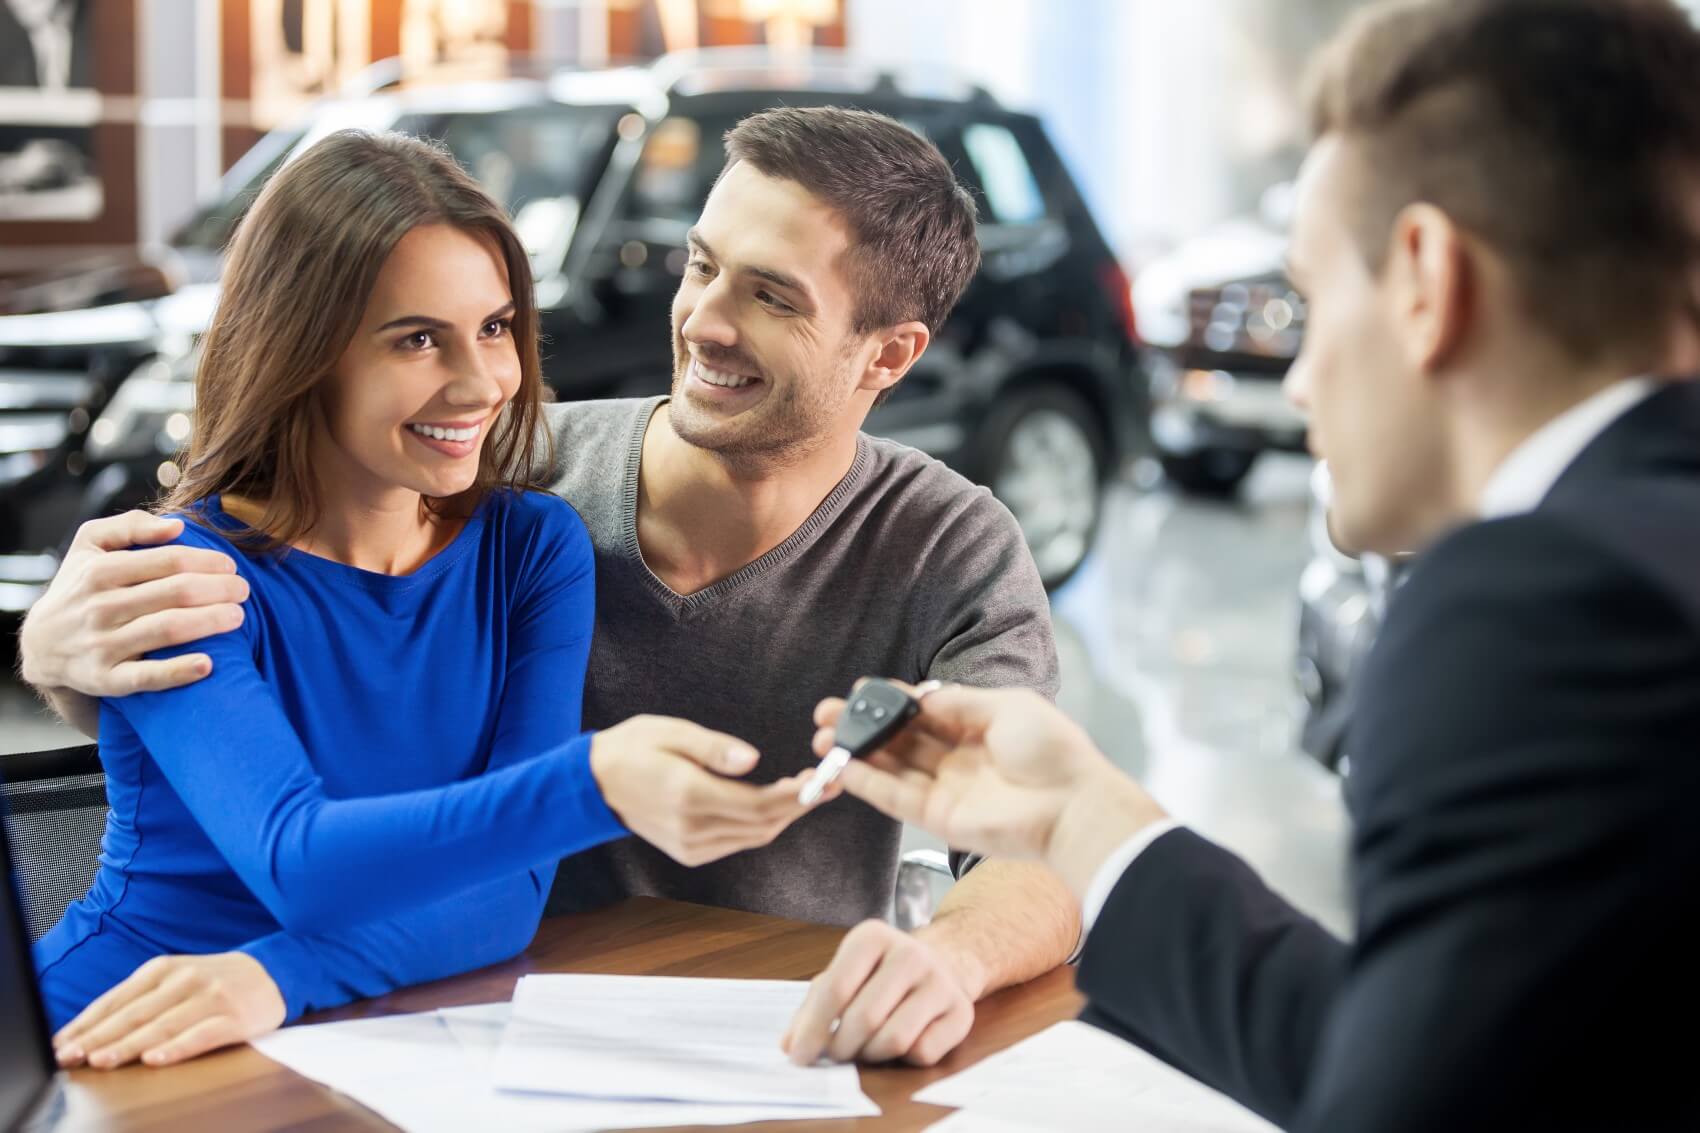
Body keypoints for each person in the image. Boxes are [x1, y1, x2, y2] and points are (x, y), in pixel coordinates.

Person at [792, 1, 1700, 1128]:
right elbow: (1452, 1054)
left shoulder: (1543, 601)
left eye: (1312, 304)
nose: (1305, 378)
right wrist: (1086, 823)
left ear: (1422, 277)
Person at [20, 106, 1081, 1069]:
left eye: (769, 296)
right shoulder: (507, 469)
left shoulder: (534, 529)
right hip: (415, 1027)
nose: (705, 319)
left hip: (736, 1033)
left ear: (886, 355)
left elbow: (1043, 844)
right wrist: (53, 652)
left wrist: (944, 957)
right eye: (698, 265)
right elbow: (259, 774)